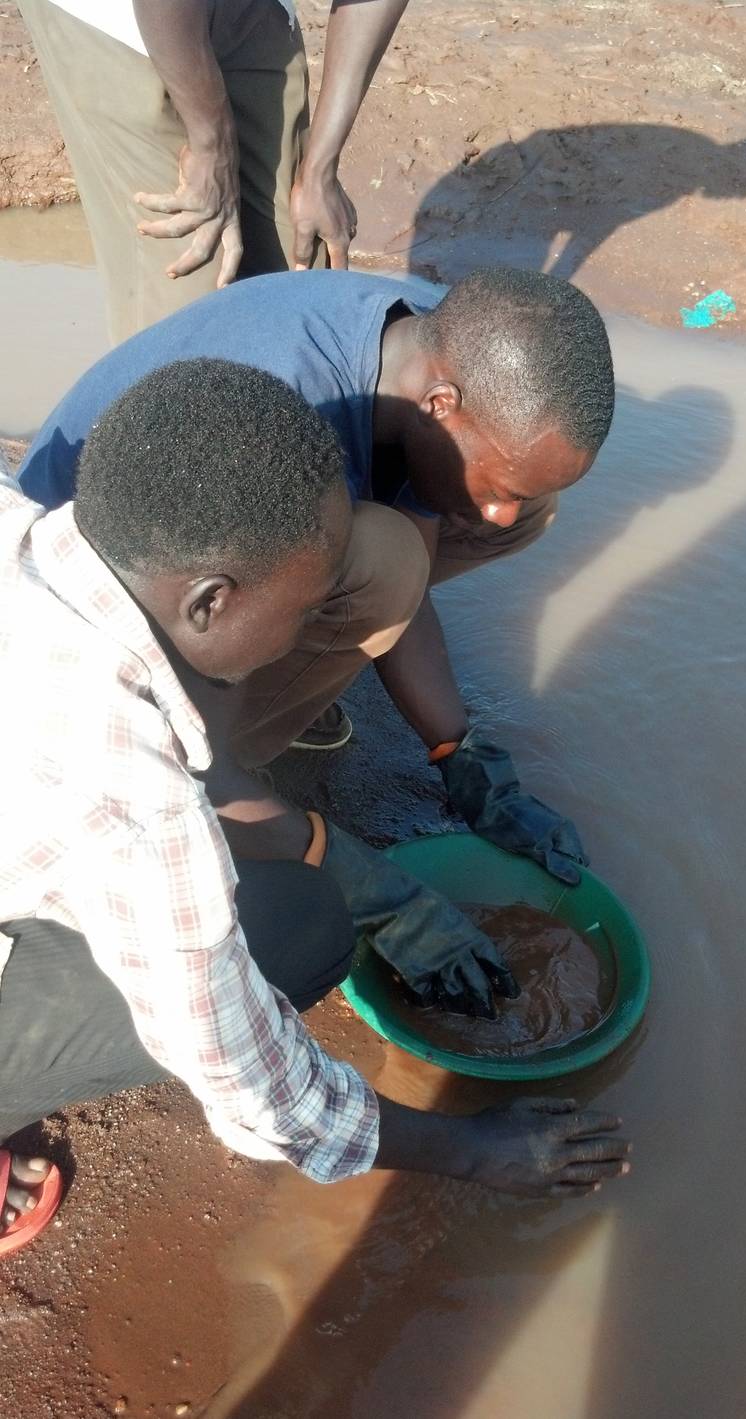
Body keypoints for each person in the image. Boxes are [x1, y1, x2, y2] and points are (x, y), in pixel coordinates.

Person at [0, 358, 630, 1254]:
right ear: (211, 599)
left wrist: (389, 886)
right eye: (303, 608)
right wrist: (472, 1148)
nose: (307, 635)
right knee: (298, 931)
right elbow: (261, 1095)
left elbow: (180, 767)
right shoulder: (139, 814)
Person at [20, 265, 615, 890]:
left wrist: (461, 755)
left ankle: (303, 655)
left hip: (230, 548)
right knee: (384, 565)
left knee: (526, 512)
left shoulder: (436, 347)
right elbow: (196, 595)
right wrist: (323, 859)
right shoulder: (284, 417)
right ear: (441, 404)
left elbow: (423, 527)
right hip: (87, 611)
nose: (500, 511)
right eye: (499, 489)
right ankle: (249, 729)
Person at [16, 0, 409, 342]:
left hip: (249, 10)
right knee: (188, 309)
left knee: (302, 276)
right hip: (116, 16)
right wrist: (213, 147)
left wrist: (320, 168)